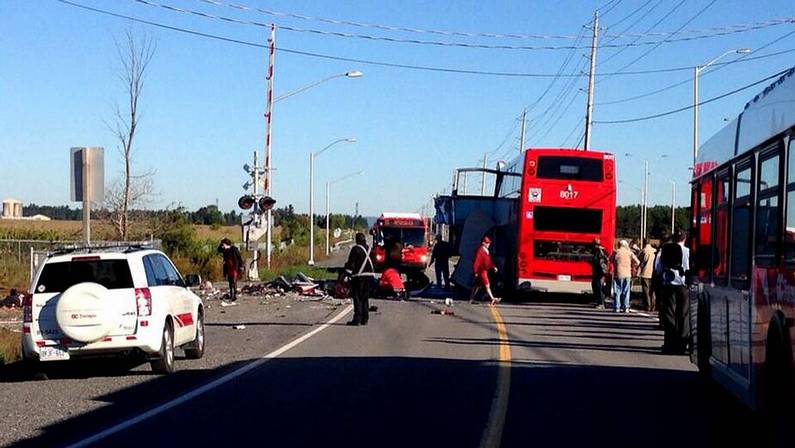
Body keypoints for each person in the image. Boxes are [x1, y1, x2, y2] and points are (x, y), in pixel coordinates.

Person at [655, 230, 691, 354]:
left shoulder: (665, 249)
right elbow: (690, 268)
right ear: (684, 239)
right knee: (683, 314)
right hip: (683, 285)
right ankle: (681, 344)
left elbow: (658, 268)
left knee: (670, 314)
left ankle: (669, 343)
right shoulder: (687, 251)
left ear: (674, 238)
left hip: (669, 284)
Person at [344, 232, 375, 326]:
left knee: (357, 298)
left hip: (359, 277)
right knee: (365, 298)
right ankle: (365, 318)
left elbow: (351, 264)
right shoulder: (370, 249)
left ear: (357, 240)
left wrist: (346, 275)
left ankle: (357, 318)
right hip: (370, 276)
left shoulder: (356, 249)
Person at [469, 236, 500, 305]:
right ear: (483, 243)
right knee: (487, 284)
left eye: (489, 243)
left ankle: (471, 299)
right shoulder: (480, 251)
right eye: (487, 243)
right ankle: (493, 299)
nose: (489, 244)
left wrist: (493, 267)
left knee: (477, 285)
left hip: (485, 270)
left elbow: (489, 261)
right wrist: (475, 271)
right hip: (481, 270)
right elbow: (476, 262)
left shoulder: (486, 251)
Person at [611, 239, 639, 313]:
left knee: (617, 291)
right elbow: (637, 261)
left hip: (618, 274)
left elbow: (610, 259)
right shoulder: (629, 252)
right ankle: (626, 307)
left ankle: (617, 307)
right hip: (627, 274)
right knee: (626, 291)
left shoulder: (616, 252)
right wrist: (632, 265)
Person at [591, 238, 609, 309]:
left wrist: (603, 272)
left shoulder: (600, 251)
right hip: (598, 271)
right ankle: (600, 302)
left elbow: (602, 261)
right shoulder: (598, 251)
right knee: (596, 286)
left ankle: (601, 303)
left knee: (599, 287)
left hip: (600, 272)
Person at [639, 239, 657, 311]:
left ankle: (648, 305)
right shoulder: (654, 250)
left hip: (645, 273)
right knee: (652, 291)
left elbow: (640, 259)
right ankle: (653, 306)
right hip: (653, 273)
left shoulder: (644, 250)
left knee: (646, 290)